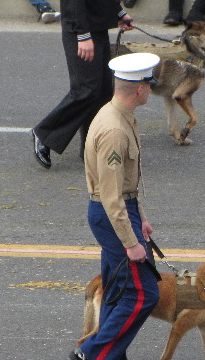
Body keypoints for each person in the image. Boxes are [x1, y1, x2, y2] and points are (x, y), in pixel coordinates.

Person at [70, 53, 161, 360]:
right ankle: (91, 353)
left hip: (122, 211)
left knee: (117, 291)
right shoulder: (114, 130)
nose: (150, 90)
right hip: (114, 216)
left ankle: (110, 355)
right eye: (149, 85)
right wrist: (131, 241)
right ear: (139, 89)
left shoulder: (119, 115)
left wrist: (142, 218)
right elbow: (111, 196)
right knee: (143, 294)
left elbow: (127, 184)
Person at [31, 0, 134, 170]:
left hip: (95, 27)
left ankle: (91, 145)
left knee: (101, 90)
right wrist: (82, 36)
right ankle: (43, 134)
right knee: (85, 89)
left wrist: (118, 12)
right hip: (81, 32)